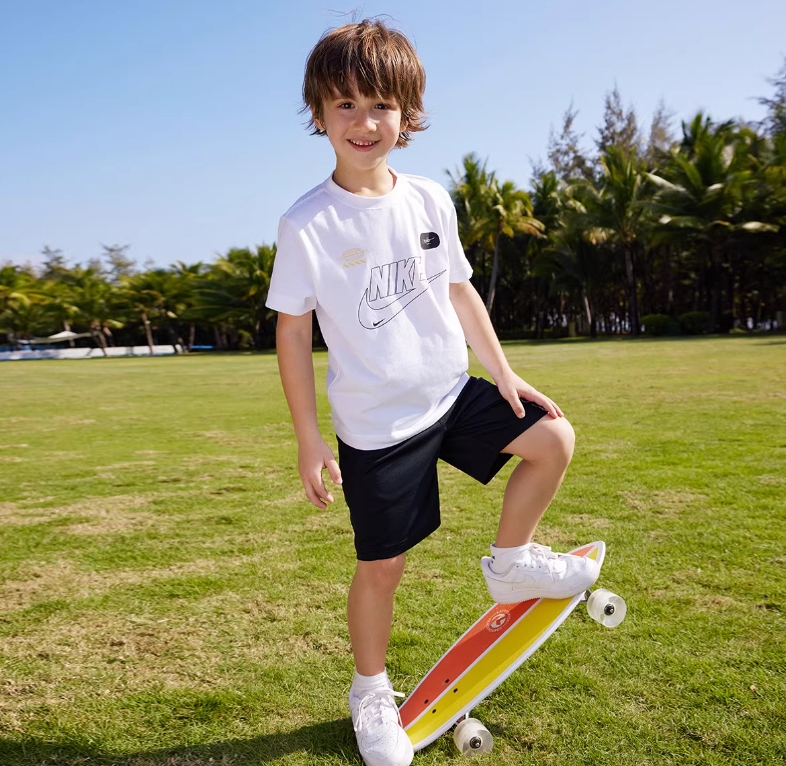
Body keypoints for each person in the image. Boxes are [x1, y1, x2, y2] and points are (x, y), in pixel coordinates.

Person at [265, 19, 599, 766]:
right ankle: (370, 692)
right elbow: (292, 332)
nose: (364, 122)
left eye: (380, 105)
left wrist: (503, 371)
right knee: (383, 566)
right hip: (377, 426)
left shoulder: (429, 199)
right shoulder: (306, 223)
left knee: (552, 437)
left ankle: (511, 561)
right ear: (318, 113)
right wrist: (309, 438)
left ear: (406, 114)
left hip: (449, 392)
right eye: (345, 105)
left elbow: (459, 290)